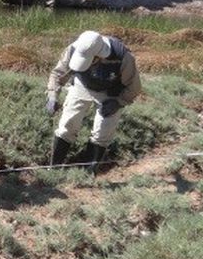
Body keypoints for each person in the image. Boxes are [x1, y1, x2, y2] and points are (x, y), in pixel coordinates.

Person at [46, 30, 142, 171]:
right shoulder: (74, 48)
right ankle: (53, 168)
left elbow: (134, 87)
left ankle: (88, 172)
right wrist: (52, 95)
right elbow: (58, 73)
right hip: (82, 85)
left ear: (99, 56)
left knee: (103, 132)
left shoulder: (124, 57)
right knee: (68, 124)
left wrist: (119, 102)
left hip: (111, 92)